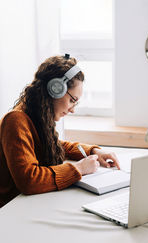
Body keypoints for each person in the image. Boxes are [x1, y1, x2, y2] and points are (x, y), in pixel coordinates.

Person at [0, 54, 120, 208]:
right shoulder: (16, 120)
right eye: (72, 100)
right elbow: (29, 181)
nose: (72, 110)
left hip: (30, 204)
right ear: (55, 89)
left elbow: (57, 145)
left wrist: (94, 152)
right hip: (11, 210)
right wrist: (79, 168)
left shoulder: (37, 114)